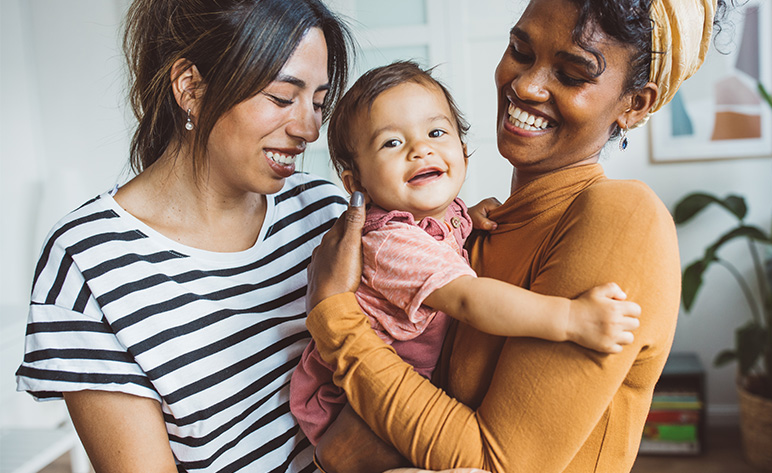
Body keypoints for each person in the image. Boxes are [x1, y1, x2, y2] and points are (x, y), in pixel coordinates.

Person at [303, 0, 726, 471]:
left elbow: (497, 464)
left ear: (635, 103)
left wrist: (334, 318)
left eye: (571, 73)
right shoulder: (475, 229)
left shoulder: (623, 217)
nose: (525, 85)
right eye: (520, 51)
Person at [15, 0, 355, 471]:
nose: (309, 129)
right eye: (281, 98)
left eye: (318, 103)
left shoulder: (324, 215)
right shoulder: (89, 263)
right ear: (191, 86)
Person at [289, 61, 642, 448]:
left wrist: (467, 219)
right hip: (352, 405)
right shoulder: (391, 244)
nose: (420, 149)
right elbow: (468, 300)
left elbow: (440, 241)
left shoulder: (444, 215)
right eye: (391, 143)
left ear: (463, 152)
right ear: (356, 182)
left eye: (436, 132)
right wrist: (570, 318)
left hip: (406, 382)